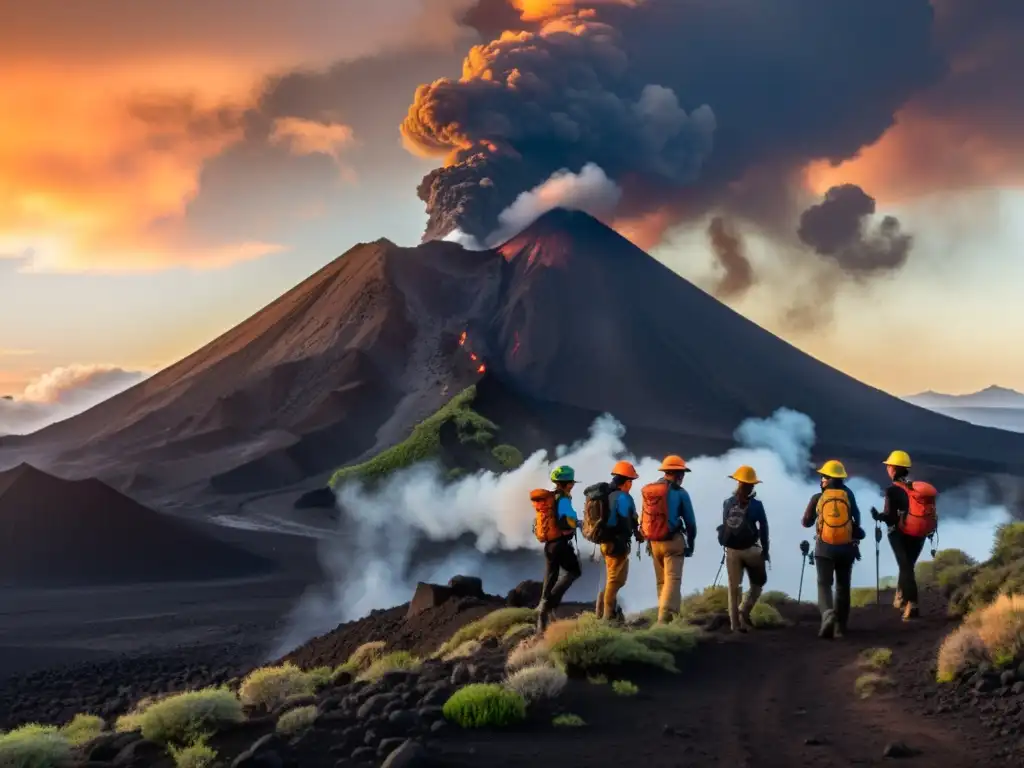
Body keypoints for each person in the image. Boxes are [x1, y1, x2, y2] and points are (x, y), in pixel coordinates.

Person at [801, 460, 865, 639]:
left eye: (824, 476)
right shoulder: (849, 495)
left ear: (829, 479)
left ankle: (827, 614)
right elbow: (857, 518)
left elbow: (806, 522)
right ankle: (840, 628)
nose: (821, 479)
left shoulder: (818, 497)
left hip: (824, 548)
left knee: (824, 584)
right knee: (843, 587)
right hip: (846, 548)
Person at [871, 450, 935, 621]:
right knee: (907, 565)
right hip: (919, 533)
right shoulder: (915, 488)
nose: (888, 469)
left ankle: (912, 603)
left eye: (889, 466)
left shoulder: (892, 490)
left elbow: (890, 517)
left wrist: (878, 517)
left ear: (893, 468)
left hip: (899, 534)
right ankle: (901, 596)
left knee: (906, 567)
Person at [640, 455, 697, 623]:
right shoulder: (680, 493)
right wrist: (691, 545)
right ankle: (664, 620)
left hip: (653, 542)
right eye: (682, 473)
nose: (683, 477)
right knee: (673, 579)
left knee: (661, 582)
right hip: (672, 542)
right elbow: (691, 523)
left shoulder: (649, 491)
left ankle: (671, 616)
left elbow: (643, 517)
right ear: (678, 474)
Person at [718, 465, 770, 633]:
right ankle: (744, 610)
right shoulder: (757, 505)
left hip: (731, 550)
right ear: (752, 485)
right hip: (751, 550)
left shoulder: (727, 503)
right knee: (759, 582)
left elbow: (726, 525)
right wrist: (766, 550)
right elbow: (764, 528)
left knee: (734, 588)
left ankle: (735, 626)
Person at [531, 465, 582, 632]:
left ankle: (542, 620)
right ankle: (548, 605)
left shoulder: (550, 499)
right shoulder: (563, 499)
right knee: (574, 572)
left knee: (551, 576)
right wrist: (579, 523)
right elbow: (567, 520)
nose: (572, 485)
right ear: (567, 483)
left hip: (549, 545)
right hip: (560, 543)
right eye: (571, 483)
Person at [595, 461, 642, 622]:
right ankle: (607, 617)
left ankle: (602, 612)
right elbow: (627, 519)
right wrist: (636, 533)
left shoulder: (606, 495)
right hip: (617, 543)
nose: (631, 485)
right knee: (615, 580)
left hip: (605, 542)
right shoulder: (624, 497)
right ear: (627, 481)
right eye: (631, 481)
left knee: (612, 578)